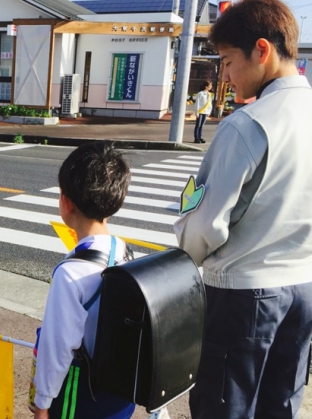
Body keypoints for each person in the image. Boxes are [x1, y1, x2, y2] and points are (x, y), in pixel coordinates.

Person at [173, 1, 312, 418]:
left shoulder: (247, 125)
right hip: (304, 287)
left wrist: (185, 245)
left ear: (262, 51)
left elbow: (203, 224)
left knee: (225, 406)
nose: (226, 75)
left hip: (244, 295)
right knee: (281, 403)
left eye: (229, 61)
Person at [33, 142, 135, 419]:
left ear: (66, 203)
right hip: (122, 395)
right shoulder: (126, 251)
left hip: (82, 397)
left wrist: (42, 404)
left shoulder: (70, 273)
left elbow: (58, 346)